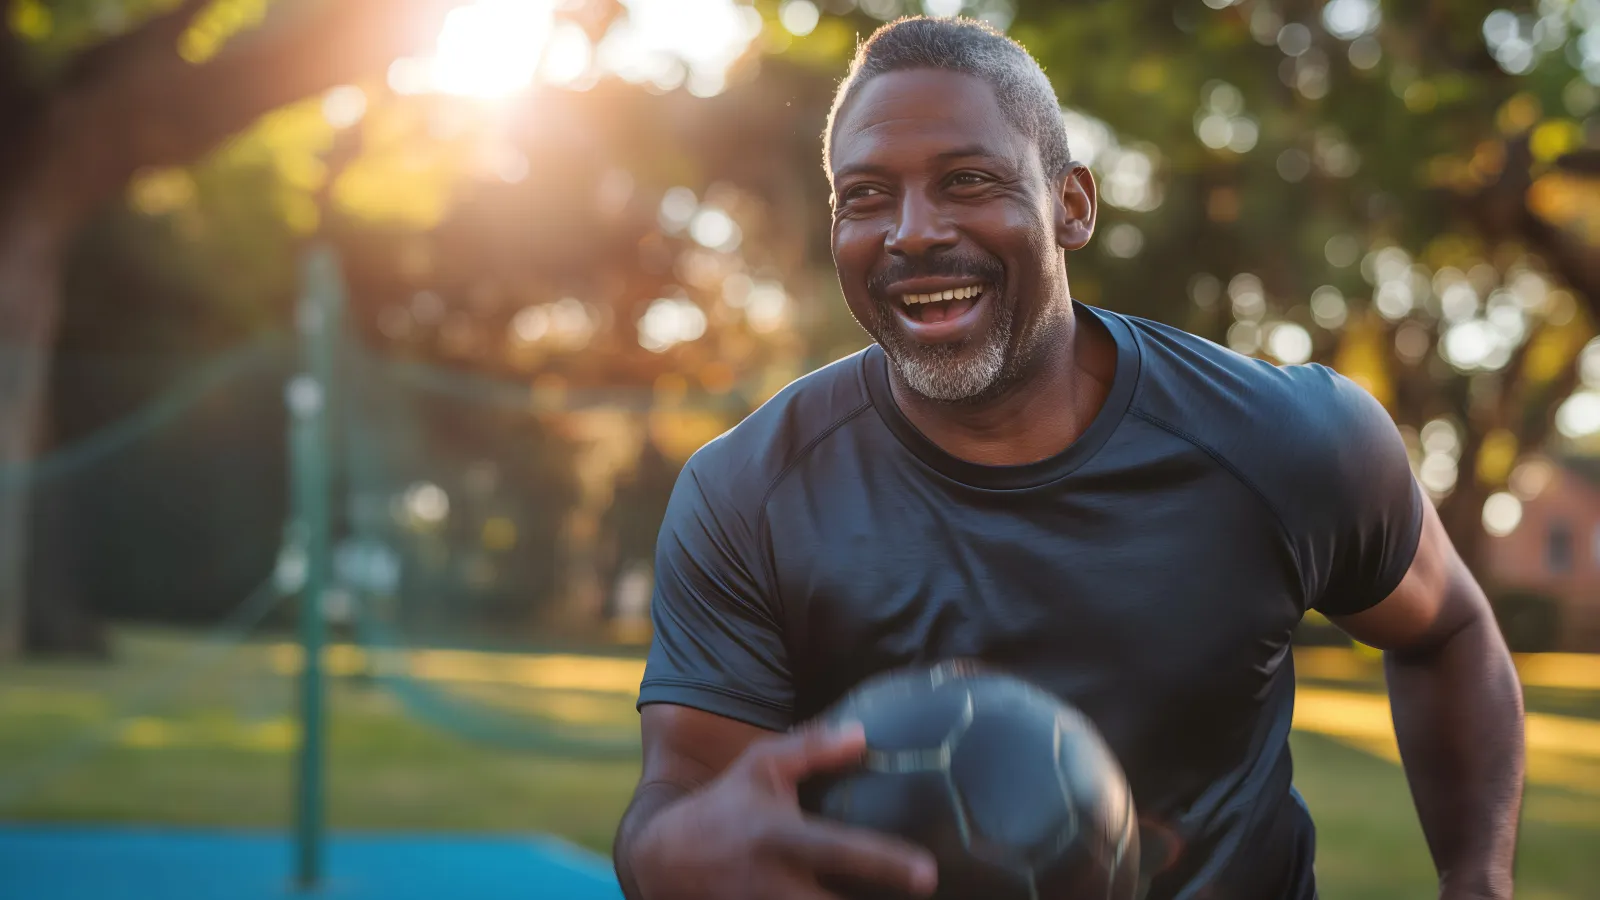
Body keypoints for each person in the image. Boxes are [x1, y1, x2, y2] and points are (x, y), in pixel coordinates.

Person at [612, 15, 1525, 900]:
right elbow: (682, 800)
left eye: (967, 180)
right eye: (867, 196)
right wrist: (666, 857)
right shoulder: (748, 493)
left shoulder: (1284, 443)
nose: (913, 231)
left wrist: (1477, 883)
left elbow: (1446, 629)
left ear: (1071, 206)